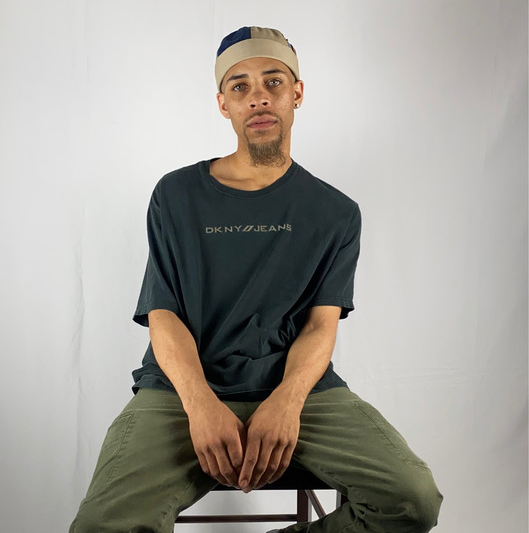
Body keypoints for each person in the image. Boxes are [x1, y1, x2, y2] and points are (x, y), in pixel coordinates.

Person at [70, 26, 443, 533]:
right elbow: (163, 314)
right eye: (240, 86)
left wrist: (287, 402)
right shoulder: (177, 195)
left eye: (273, 81)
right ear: (223, 104)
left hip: (300, 392)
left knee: (411, 499)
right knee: (102, 525)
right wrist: (201, 405)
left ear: (297, 93)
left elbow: (321, 326)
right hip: (180, 391)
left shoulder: (335, 212)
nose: (259, 97)